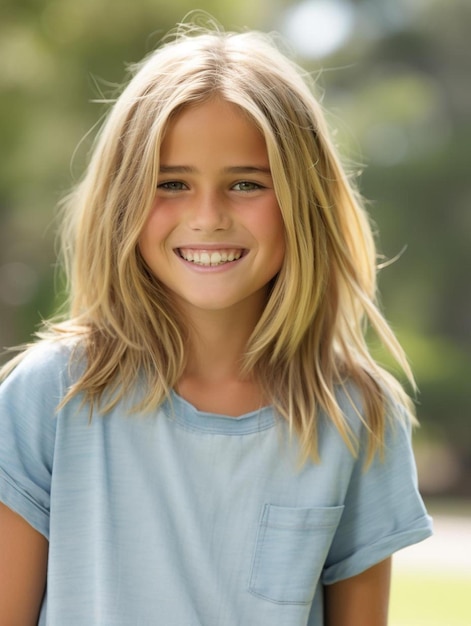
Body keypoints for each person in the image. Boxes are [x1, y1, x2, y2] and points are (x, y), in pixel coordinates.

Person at [0, 19, 432, 626]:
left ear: (302, 203)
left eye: (246, 184)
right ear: (123, 201)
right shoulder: (48, 396)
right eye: (172, 183)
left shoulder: (357, 414)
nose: (207, 217)